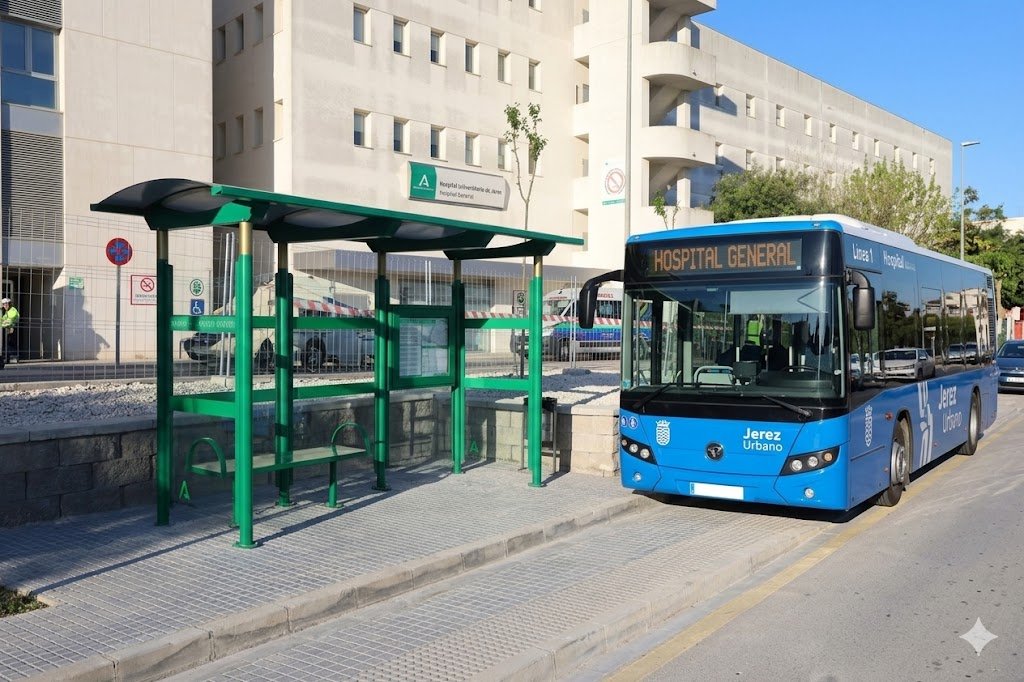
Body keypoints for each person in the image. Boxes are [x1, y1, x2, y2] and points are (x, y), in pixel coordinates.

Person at [1, 297, 18, 366]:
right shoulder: (7, 312)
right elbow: (3, 320)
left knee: (11, 343)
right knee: (8, 343)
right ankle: (8, 358)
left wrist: (3, 323)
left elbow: (9, 321)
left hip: (14, 328)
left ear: (9, 304)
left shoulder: (12, 310)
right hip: (9, 329)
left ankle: (12, 358)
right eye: (4, 304)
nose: (5, 306)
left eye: (6, 304)